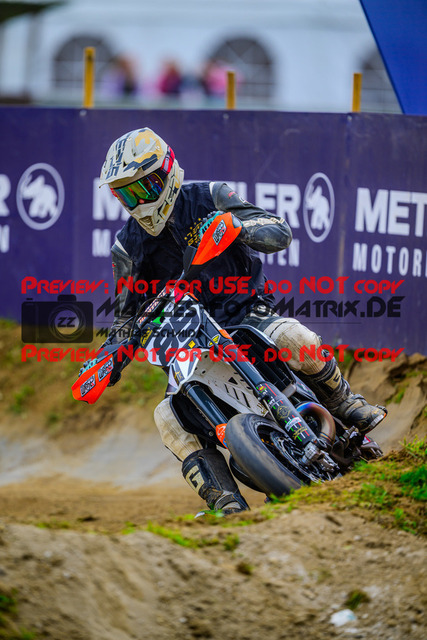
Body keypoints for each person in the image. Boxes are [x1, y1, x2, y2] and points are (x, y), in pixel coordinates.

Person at [98, 127, 387, 515]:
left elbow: (279, 231)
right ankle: (225, 503)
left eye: (141, 188)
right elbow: (126, 317)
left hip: (247, 314)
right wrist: (107, 359)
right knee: (167, 418)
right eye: (125, 194)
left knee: (295, 337)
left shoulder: (210, 196)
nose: (136, 202)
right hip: (188, 344)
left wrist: (239, 227)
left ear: (166, 173)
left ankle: (345, 401)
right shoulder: (127, 245)